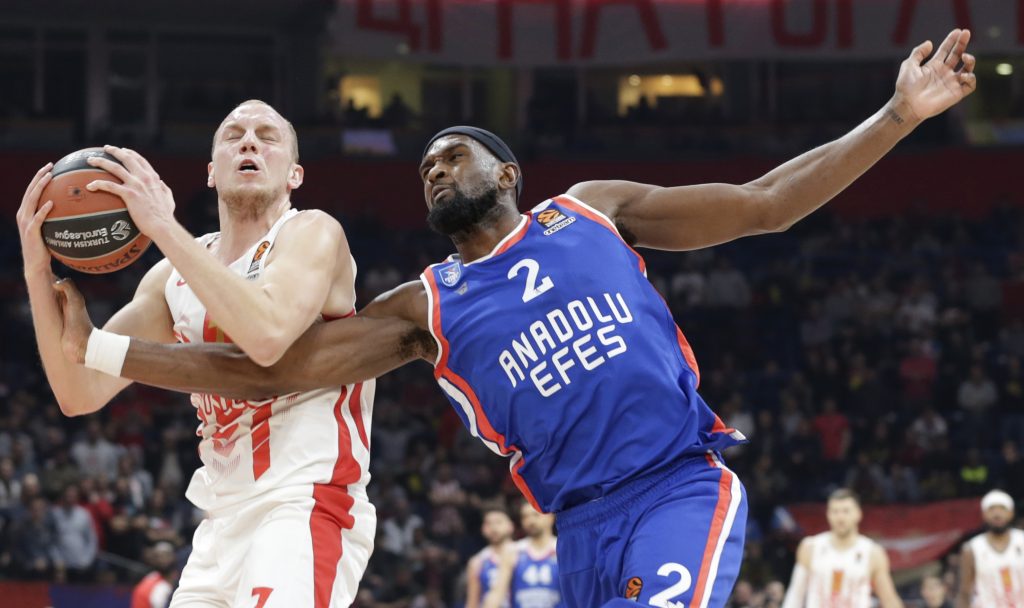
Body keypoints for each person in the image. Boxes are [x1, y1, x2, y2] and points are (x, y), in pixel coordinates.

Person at [52, 29, 976, 608]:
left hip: (675, 489)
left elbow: (766, 200)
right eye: (424, 170)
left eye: (455, 155)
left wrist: (897, 115)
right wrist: (104, 346)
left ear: (509, 177)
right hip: (575, 527)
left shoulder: (591, 211)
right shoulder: (426, 308)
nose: (436, 169)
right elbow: (271, 371)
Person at [17, 99, 377, 607]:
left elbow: (268, 335)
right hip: (219, 524)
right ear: (211, 172)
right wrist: (36, 270)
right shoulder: (171, 278)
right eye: (233, 135)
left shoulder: (312, 232)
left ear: (294, 174)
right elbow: (78, 391)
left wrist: (163, 226)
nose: (249, 141)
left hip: (304, 504)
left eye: (267, 136)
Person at [781, 489, 902, 608]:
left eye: (846, 511)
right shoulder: (810, 547)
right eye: (835, 511)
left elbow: (889, 600)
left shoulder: (872, 553)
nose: (840, 517)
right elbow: (795, 596)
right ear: (828, 514)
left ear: (858, 513)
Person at [485, 502, 561, 608]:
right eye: (525, 517)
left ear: (550, 518)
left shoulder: (562, 550)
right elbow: (497, 593)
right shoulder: (512, 551)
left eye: (535, 515)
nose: (530, 521)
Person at [957, 490, 1024, 608]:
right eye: (992, 509)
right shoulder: (971, 549)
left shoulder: (1022, 541)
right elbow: (965, 593)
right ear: (984, 514)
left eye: (1002, 508)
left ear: (1011, 513)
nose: (997, 513)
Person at [466, 508, 516, 608]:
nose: (493, 528)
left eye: (498, 522)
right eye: (488, 523)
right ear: (482, 529)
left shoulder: (523, 552)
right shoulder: (478, 561)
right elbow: (472, 602)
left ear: (511, 526)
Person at [131, 541, 179, 608]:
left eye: (166, 555)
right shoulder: (151, 586)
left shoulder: (184, 576)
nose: (162, 559)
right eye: (157, 556)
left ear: (174, 556)